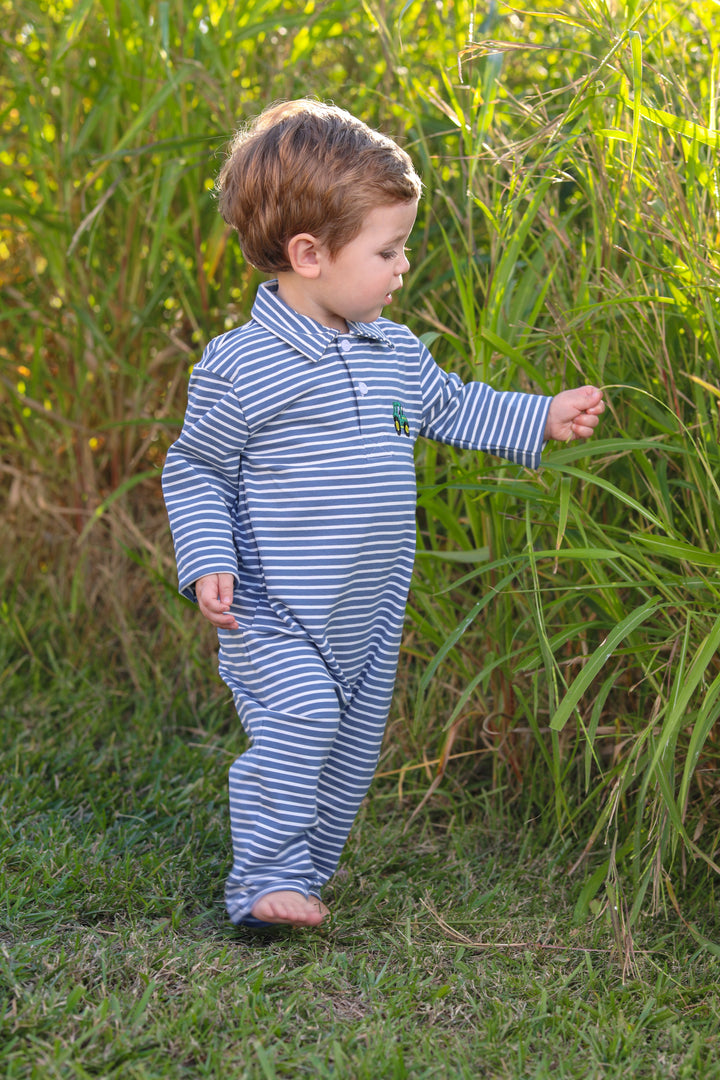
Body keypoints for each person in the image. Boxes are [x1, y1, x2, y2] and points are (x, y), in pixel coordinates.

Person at [162, 99, 604, 929]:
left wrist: (538, 415)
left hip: (365, 610)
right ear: (310, 254)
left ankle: (302, 874)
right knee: (302, 716)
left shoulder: (394, 350)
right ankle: (260, 882)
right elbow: (195, 469)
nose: (402, 269)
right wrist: (206, 556)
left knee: (350, 747)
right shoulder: (242, 366)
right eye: (388, 251)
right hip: (273, 606)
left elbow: (451, 405)